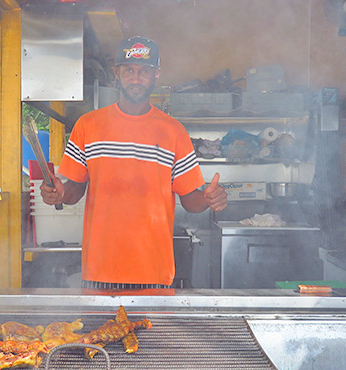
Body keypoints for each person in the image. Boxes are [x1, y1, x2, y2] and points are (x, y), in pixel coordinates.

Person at [40, 36, 227, 289]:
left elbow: (190, 200)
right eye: (129, 70)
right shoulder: (88, 125)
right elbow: (74, 190)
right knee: (100, 331)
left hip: (154, 271)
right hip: (99, 270)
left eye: (144, 71)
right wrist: (59, 193)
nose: (136, 78)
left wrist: (208, 198)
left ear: (156, 74)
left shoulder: (174, 132)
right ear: (116, 73)